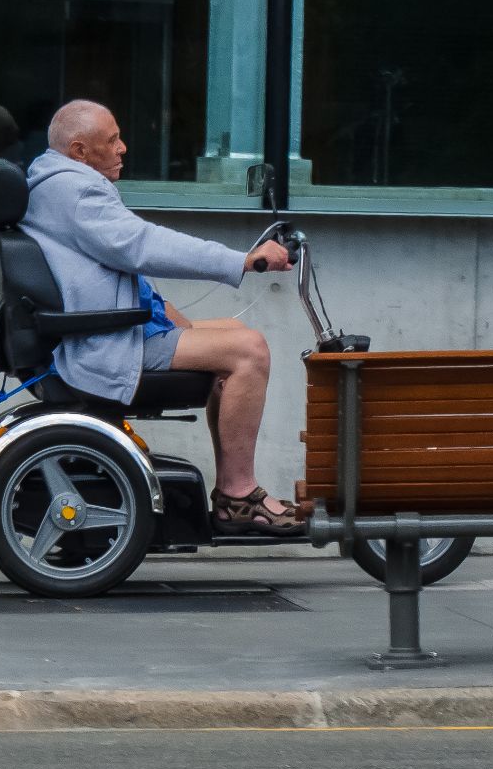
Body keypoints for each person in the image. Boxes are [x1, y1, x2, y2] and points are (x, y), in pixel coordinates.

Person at [22, 99, 302, 536]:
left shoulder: (52, 183)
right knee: (250, 350)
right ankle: (237, 492)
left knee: (234, 330)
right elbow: (141, 245)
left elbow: (107, 260)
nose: (123, 148)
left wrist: (162, 307)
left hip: (106, 328)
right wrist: (241, 261)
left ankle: (233, 491)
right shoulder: (77, 192)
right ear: (79, 150)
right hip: (104, 342)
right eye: (111, 140)